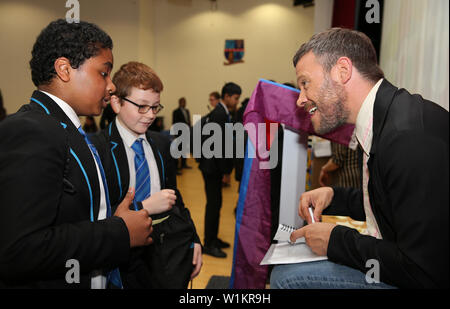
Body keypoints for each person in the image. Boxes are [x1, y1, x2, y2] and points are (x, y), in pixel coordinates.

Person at [270, 28, 448, 289]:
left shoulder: (406, 138)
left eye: (305, 83)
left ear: (342, 71)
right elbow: (392, 200)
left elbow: (421, 270)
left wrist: (335, 241)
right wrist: (335, 196)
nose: (300, 99)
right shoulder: (390, 117)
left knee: (287, 279)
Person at [0, 19, 153, 288]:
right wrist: (119, 232)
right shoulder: (30, 129)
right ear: (64, 69)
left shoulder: (63, 128)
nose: (111, 86)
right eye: (103, 73)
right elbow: (19, 250)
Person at [91, 61, 202, 288]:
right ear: (116, 102)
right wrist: (143, 207)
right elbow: (93, 216)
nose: (150, 115)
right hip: (120, 258)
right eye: (142, 106)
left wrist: (194, 239)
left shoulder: (161, 144)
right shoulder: (97, 150)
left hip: (164, 253)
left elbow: (175, 197)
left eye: (155, 107)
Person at [199, 82, 241, 258]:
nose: (236, 102)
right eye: (235, 98)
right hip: (212, 168)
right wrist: (225, 172)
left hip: (212, 166)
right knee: (213, 205)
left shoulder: (223, 112)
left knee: (216, 205)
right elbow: (220, 147)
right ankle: (208, 244)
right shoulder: (220, 114)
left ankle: (213, 239)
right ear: (226, 96)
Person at [172, 97, 191, 171]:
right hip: (179, 134)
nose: (184, 103)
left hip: (186, 132)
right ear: (179, 103)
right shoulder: (175, 111)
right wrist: (175, 134)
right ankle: (177, 167)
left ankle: (184, 164)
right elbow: (174, 123)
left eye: (185, 102)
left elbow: (188, 121)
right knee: (178, 150)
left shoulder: (187, 111)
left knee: (185, 150)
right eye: (183, 102)